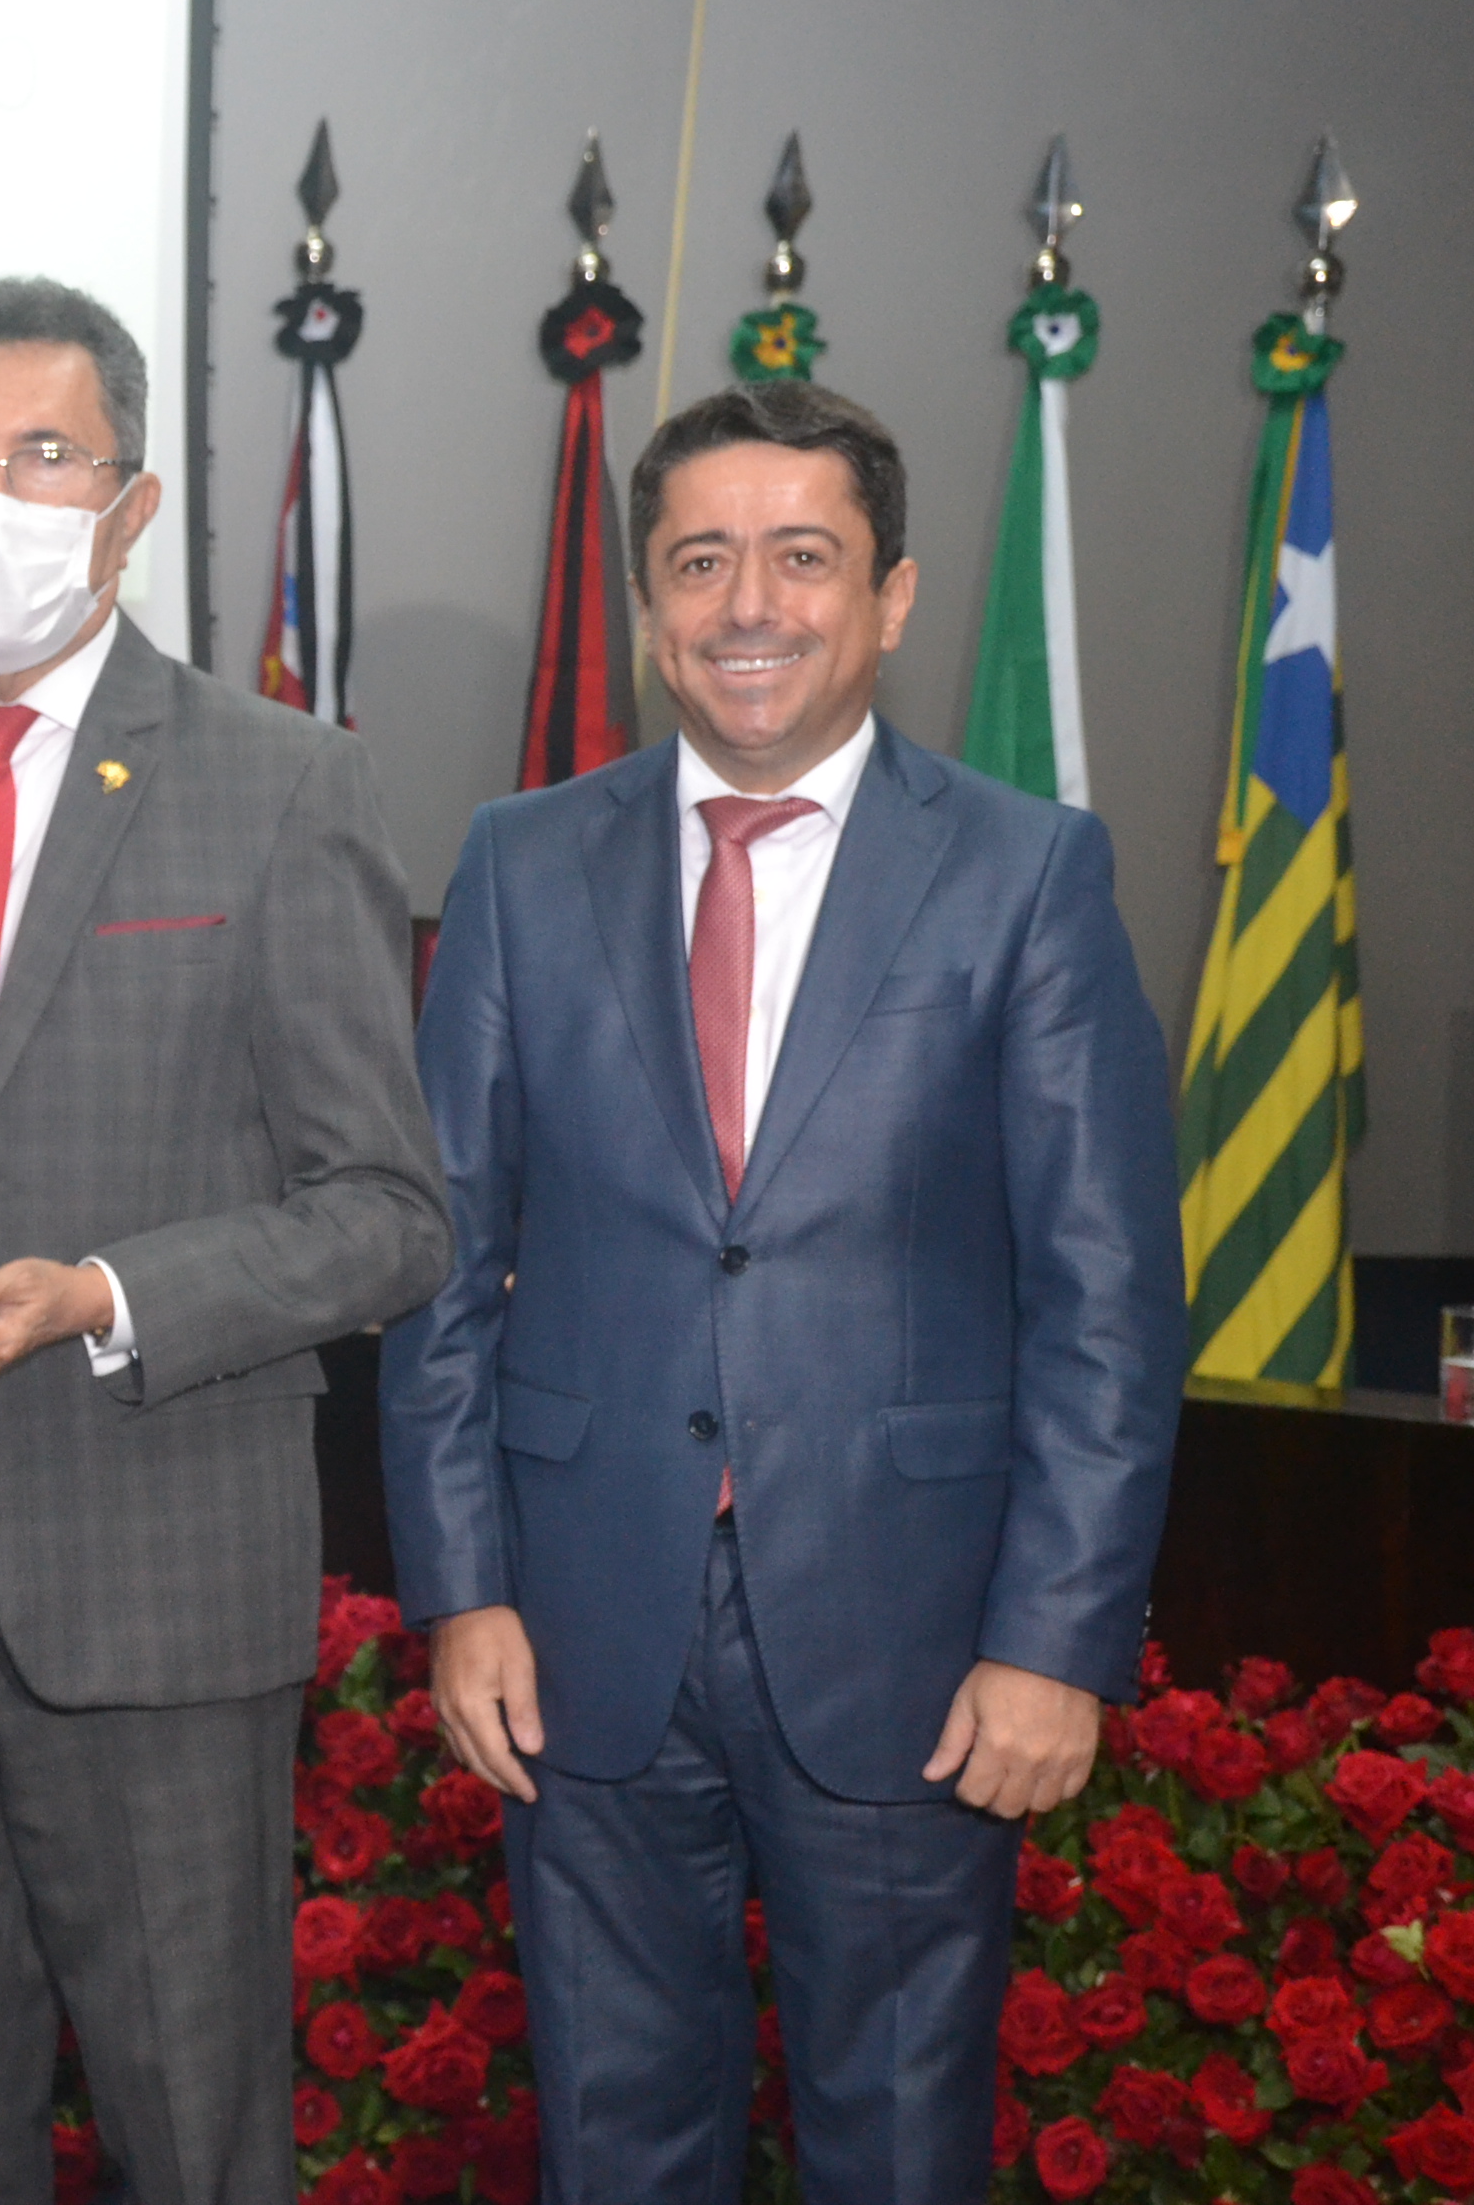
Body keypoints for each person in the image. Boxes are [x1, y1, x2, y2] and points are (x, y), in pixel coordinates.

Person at [381, 381, 1186, 2201]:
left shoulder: (1027, 872)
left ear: (892, 596)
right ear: (648, 602)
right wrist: (463, 1589)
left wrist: (1057, 1642)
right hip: (578, 1632)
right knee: (613, 2139)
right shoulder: (519, 861)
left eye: (803, 556)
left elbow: (1107, 1301)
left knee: (897, 2145)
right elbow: (442, 1265)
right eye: (700, 561)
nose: (749, 603)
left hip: (918, 1636)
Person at [0, 276, 451, 2205]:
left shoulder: (282, 785)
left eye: (46, 455)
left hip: (150, 1572)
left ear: (131, 505)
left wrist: (105, 1297)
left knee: (193, 2139)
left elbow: (390, 1215)